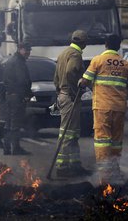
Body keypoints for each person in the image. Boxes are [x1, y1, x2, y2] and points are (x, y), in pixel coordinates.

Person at [80, 34, 128, 184]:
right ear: (118, 46)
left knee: (102, 140)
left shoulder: (98, 60)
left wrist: (81, 81)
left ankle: (105, 175)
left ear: (105, 44)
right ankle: (115, 169)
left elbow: (85, 81)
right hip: (119, 107)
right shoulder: (124, 63)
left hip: (102, 107)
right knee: (116, 140)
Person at [53, 30, 91, 178]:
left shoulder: (63, 53)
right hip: (70, 97)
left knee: (73, 133)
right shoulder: (75, 54)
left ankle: (75, 165)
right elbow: (70, 72)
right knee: (68, 134)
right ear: (83, 43)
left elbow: (56, 77)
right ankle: (62, 167)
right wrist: (74, 91)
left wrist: (60, 91)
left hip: (63, 95)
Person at [2, 41, 33, 155]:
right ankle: (15, 148)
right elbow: (22, 80)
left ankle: (6, 147)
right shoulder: (18, 62)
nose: (28, 53)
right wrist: (27, 94)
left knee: (9, 122)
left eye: (29, 50)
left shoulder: (10, 61)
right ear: (20, 49)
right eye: (26, 50)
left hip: (10, 96)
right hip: (17, 97)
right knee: (15, 123)